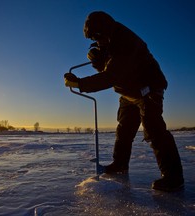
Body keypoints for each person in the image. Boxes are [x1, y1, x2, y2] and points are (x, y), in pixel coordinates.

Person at [64, 11, 184, 192]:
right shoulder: (108, 41)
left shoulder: (126, 41)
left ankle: (174, 177)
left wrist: (80, 83)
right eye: (94, 39)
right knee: (124, 129)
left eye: (97, 37)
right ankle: (120, 164)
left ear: (105, 29)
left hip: (148, 87)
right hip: (129, 92)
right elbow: (109, 68)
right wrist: (98, 61)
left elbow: (112, 75)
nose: (97, 42)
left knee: (154, 128)